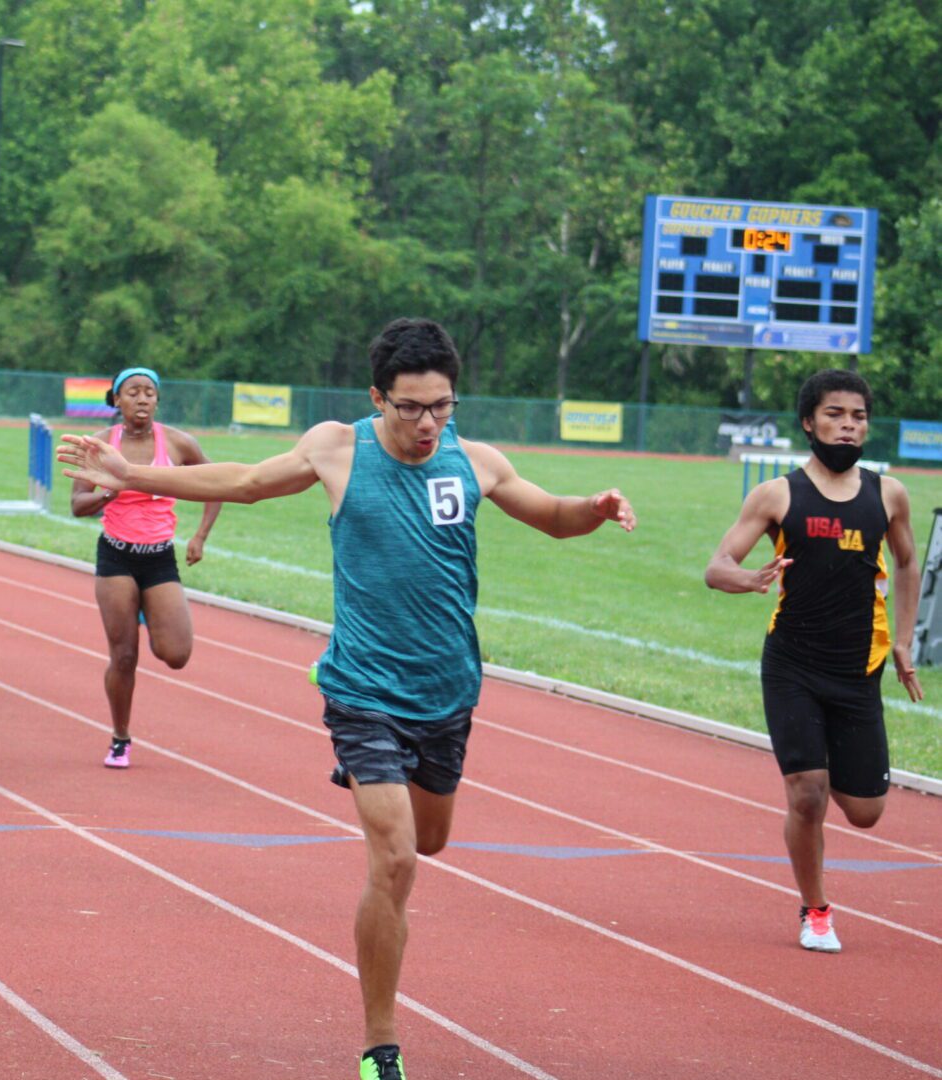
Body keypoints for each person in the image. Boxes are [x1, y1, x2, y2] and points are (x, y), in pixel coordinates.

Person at [60, 317, 635, 1080]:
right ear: (378, 397)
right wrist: (132, 477)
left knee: (429, 842)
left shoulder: (476, 462)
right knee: (395, 860)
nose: (428, 422)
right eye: (410, 407)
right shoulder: (338, 448)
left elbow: (553, 516)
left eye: (442, 406)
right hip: (364, 688)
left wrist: (591, 508)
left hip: (449, 691)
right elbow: (242, 481)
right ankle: (380, 1044)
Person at [704, 369, 922, 954]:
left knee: (867, 812)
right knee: (807, 793)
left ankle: (830, 769)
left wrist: (903, 640)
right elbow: (716, 565)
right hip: (793, 663)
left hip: (858, 670)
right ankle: (816, 909)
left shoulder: (889, 494)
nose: (848, 425)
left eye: (858, 415)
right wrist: (747, 578)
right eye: (834, 414)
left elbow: (906, 563)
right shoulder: (778, 494)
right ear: (809, 422)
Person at [69, 367, 221, 768]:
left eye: (149, 393)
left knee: (176, 653)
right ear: (116, 400)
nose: (142, 399)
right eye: (133, 392)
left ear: (157, 400)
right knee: (123, 656)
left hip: (158, 558)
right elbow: (77, 505)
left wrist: (200, 536)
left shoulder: (176, 442)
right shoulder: (100, 444)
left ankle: (150, 612)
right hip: (116, 556)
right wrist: (107, 492)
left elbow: (217, 485)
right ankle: (120, 737)